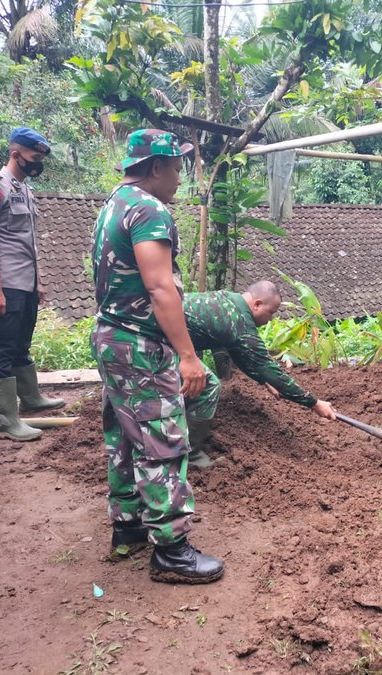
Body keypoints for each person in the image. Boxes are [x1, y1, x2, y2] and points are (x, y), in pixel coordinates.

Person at [91, 128, 224, 584]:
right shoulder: (149, 210)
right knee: (163, 441)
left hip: (112, 338)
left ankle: (127, 526)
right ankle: (171, 550)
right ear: (155, 168)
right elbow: (159, 286)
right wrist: (187, 355)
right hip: (141, 346)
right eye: (176, 167)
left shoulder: (112, 205)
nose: (180, 177)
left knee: (124, 436)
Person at [179, 280, 337, 467]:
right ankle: (189, 455)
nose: (271, 319)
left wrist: (261, 378)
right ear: (257, 304)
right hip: (155, 341)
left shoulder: (229, 301)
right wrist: (314, 403)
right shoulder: (240, 321)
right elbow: (266, 365)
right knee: (209, 385)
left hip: (155, 331)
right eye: (271, 313)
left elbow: (240, 353)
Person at [0, 127, 64, 442]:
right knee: (2, 348)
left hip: (25, 283)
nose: (38, 163)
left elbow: (30, 242)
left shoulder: (24, 190)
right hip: (6, 283)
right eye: (34, 157)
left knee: (21, 343)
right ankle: (6, 421)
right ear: (16, 154)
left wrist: (38, 281)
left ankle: (30, 398)